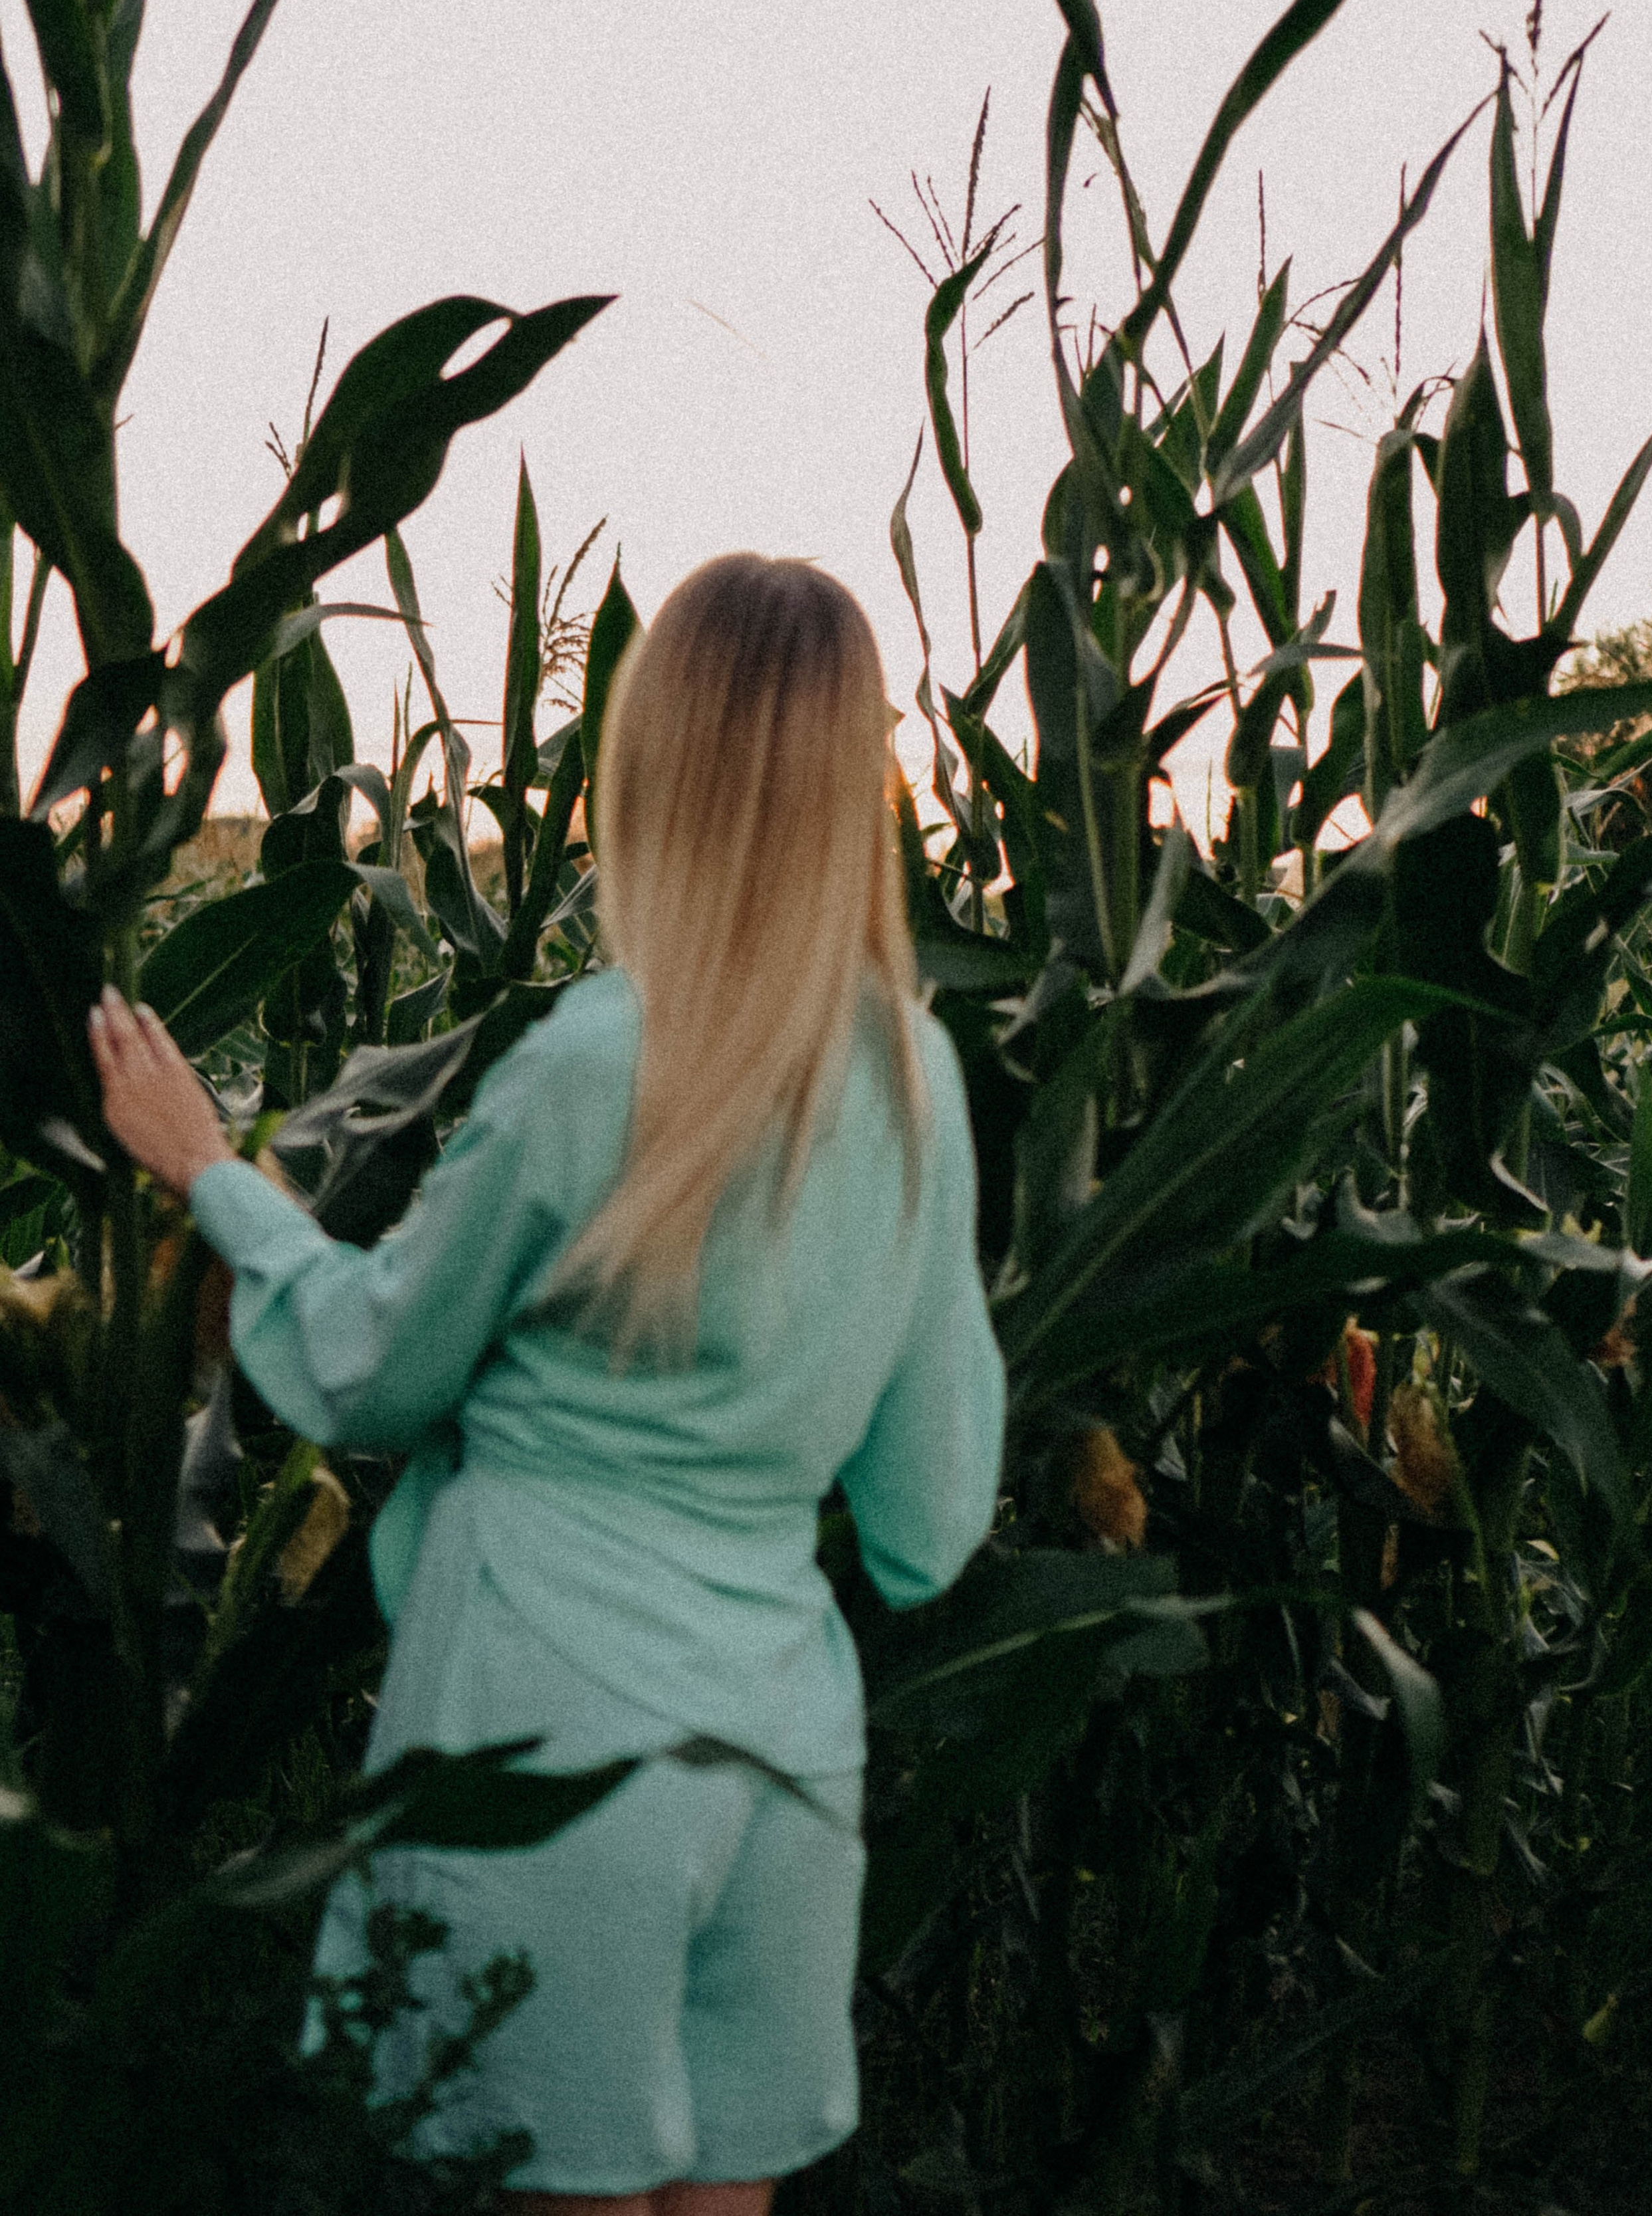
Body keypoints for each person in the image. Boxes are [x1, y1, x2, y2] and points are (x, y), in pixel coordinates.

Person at [89, 553, 1007, 2216]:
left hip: (541, 1736)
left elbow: (364, 1365)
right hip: (782, 1764)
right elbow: (931, 1515)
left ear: (647, 772)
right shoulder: (919, 1076)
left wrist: (209, 1174)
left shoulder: (592, 1060)